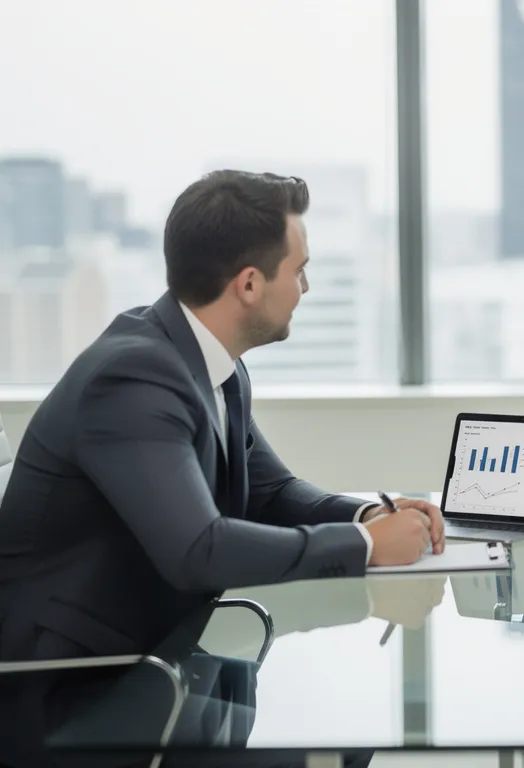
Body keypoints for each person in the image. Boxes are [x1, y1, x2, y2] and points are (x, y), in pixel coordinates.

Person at [0, 170, 446, 766]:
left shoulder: (208, 364)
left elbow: (273, 491)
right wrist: (367, 546)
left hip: (154, 664)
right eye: (299, 269)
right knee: (339, 747)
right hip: (70, 697)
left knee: (347, 727)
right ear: (250, 284)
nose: (307, 287)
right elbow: (199, 550)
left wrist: (366, 515)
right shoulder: (132, 378)